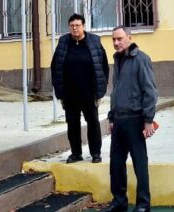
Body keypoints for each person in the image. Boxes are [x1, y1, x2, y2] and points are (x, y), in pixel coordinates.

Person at [105, 26, 158, 212]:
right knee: (116, 164)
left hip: (135, 120)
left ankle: (143, 205)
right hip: (119, 121)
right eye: (114, 39)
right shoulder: (118, 60)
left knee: (139, 165)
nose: (116, 43)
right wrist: (112, 117)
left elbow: (150, 91)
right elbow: (116, 91)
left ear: (129, 37)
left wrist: (148, 120)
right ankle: (119, 203)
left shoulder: (141, 59)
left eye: (119, 39)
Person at [51, 13, 109, 163]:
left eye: (77, 25)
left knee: (93, 123)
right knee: (72, 125)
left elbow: (103, 65)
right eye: (72, 26)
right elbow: (55, 66)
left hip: (89, 93)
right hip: (70, 94)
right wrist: (59, 91)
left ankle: (95, 153)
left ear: (83, 26)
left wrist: (100, 90)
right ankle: (76, 153)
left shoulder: (94, 41)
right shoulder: (63, 42)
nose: (75, 28)